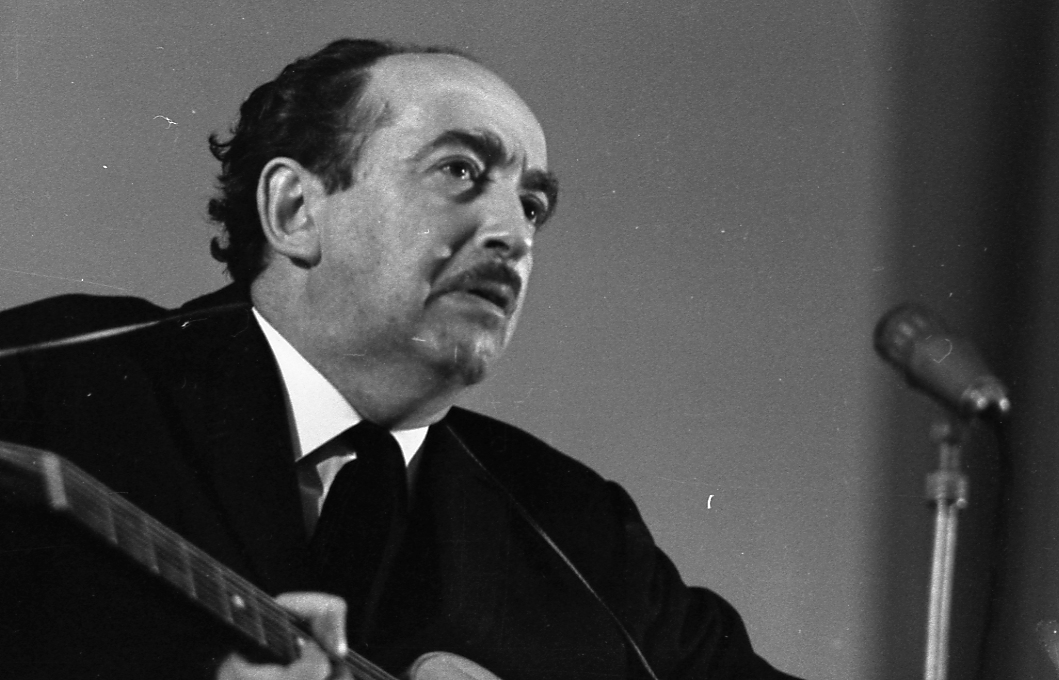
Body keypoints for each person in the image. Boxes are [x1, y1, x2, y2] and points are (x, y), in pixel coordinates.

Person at [0, 39, 802, 680]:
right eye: (460, 171)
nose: (515, 236)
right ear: (294, 209)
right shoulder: (48, 383)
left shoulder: (580, 528)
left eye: (531, 204)